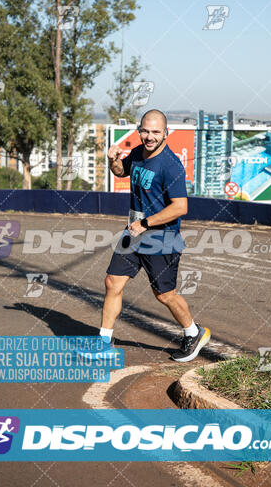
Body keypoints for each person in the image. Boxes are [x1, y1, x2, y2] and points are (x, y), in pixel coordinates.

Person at [100, 109, 211, 362]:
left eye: (155, 132)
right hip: (133, 233)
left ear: (165, 134)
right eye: (145, 131)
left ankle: (194, 333)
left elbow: (180, 207)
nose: (149, 137)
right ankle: (104, 342)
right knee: (112, 282)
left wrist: (146, 223)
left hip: (162, 237)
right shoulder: (138, 153)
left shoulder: (170, 166)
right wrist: (113, 159)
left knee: (164, 295)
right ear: (139, 131)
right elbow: (120, 172)